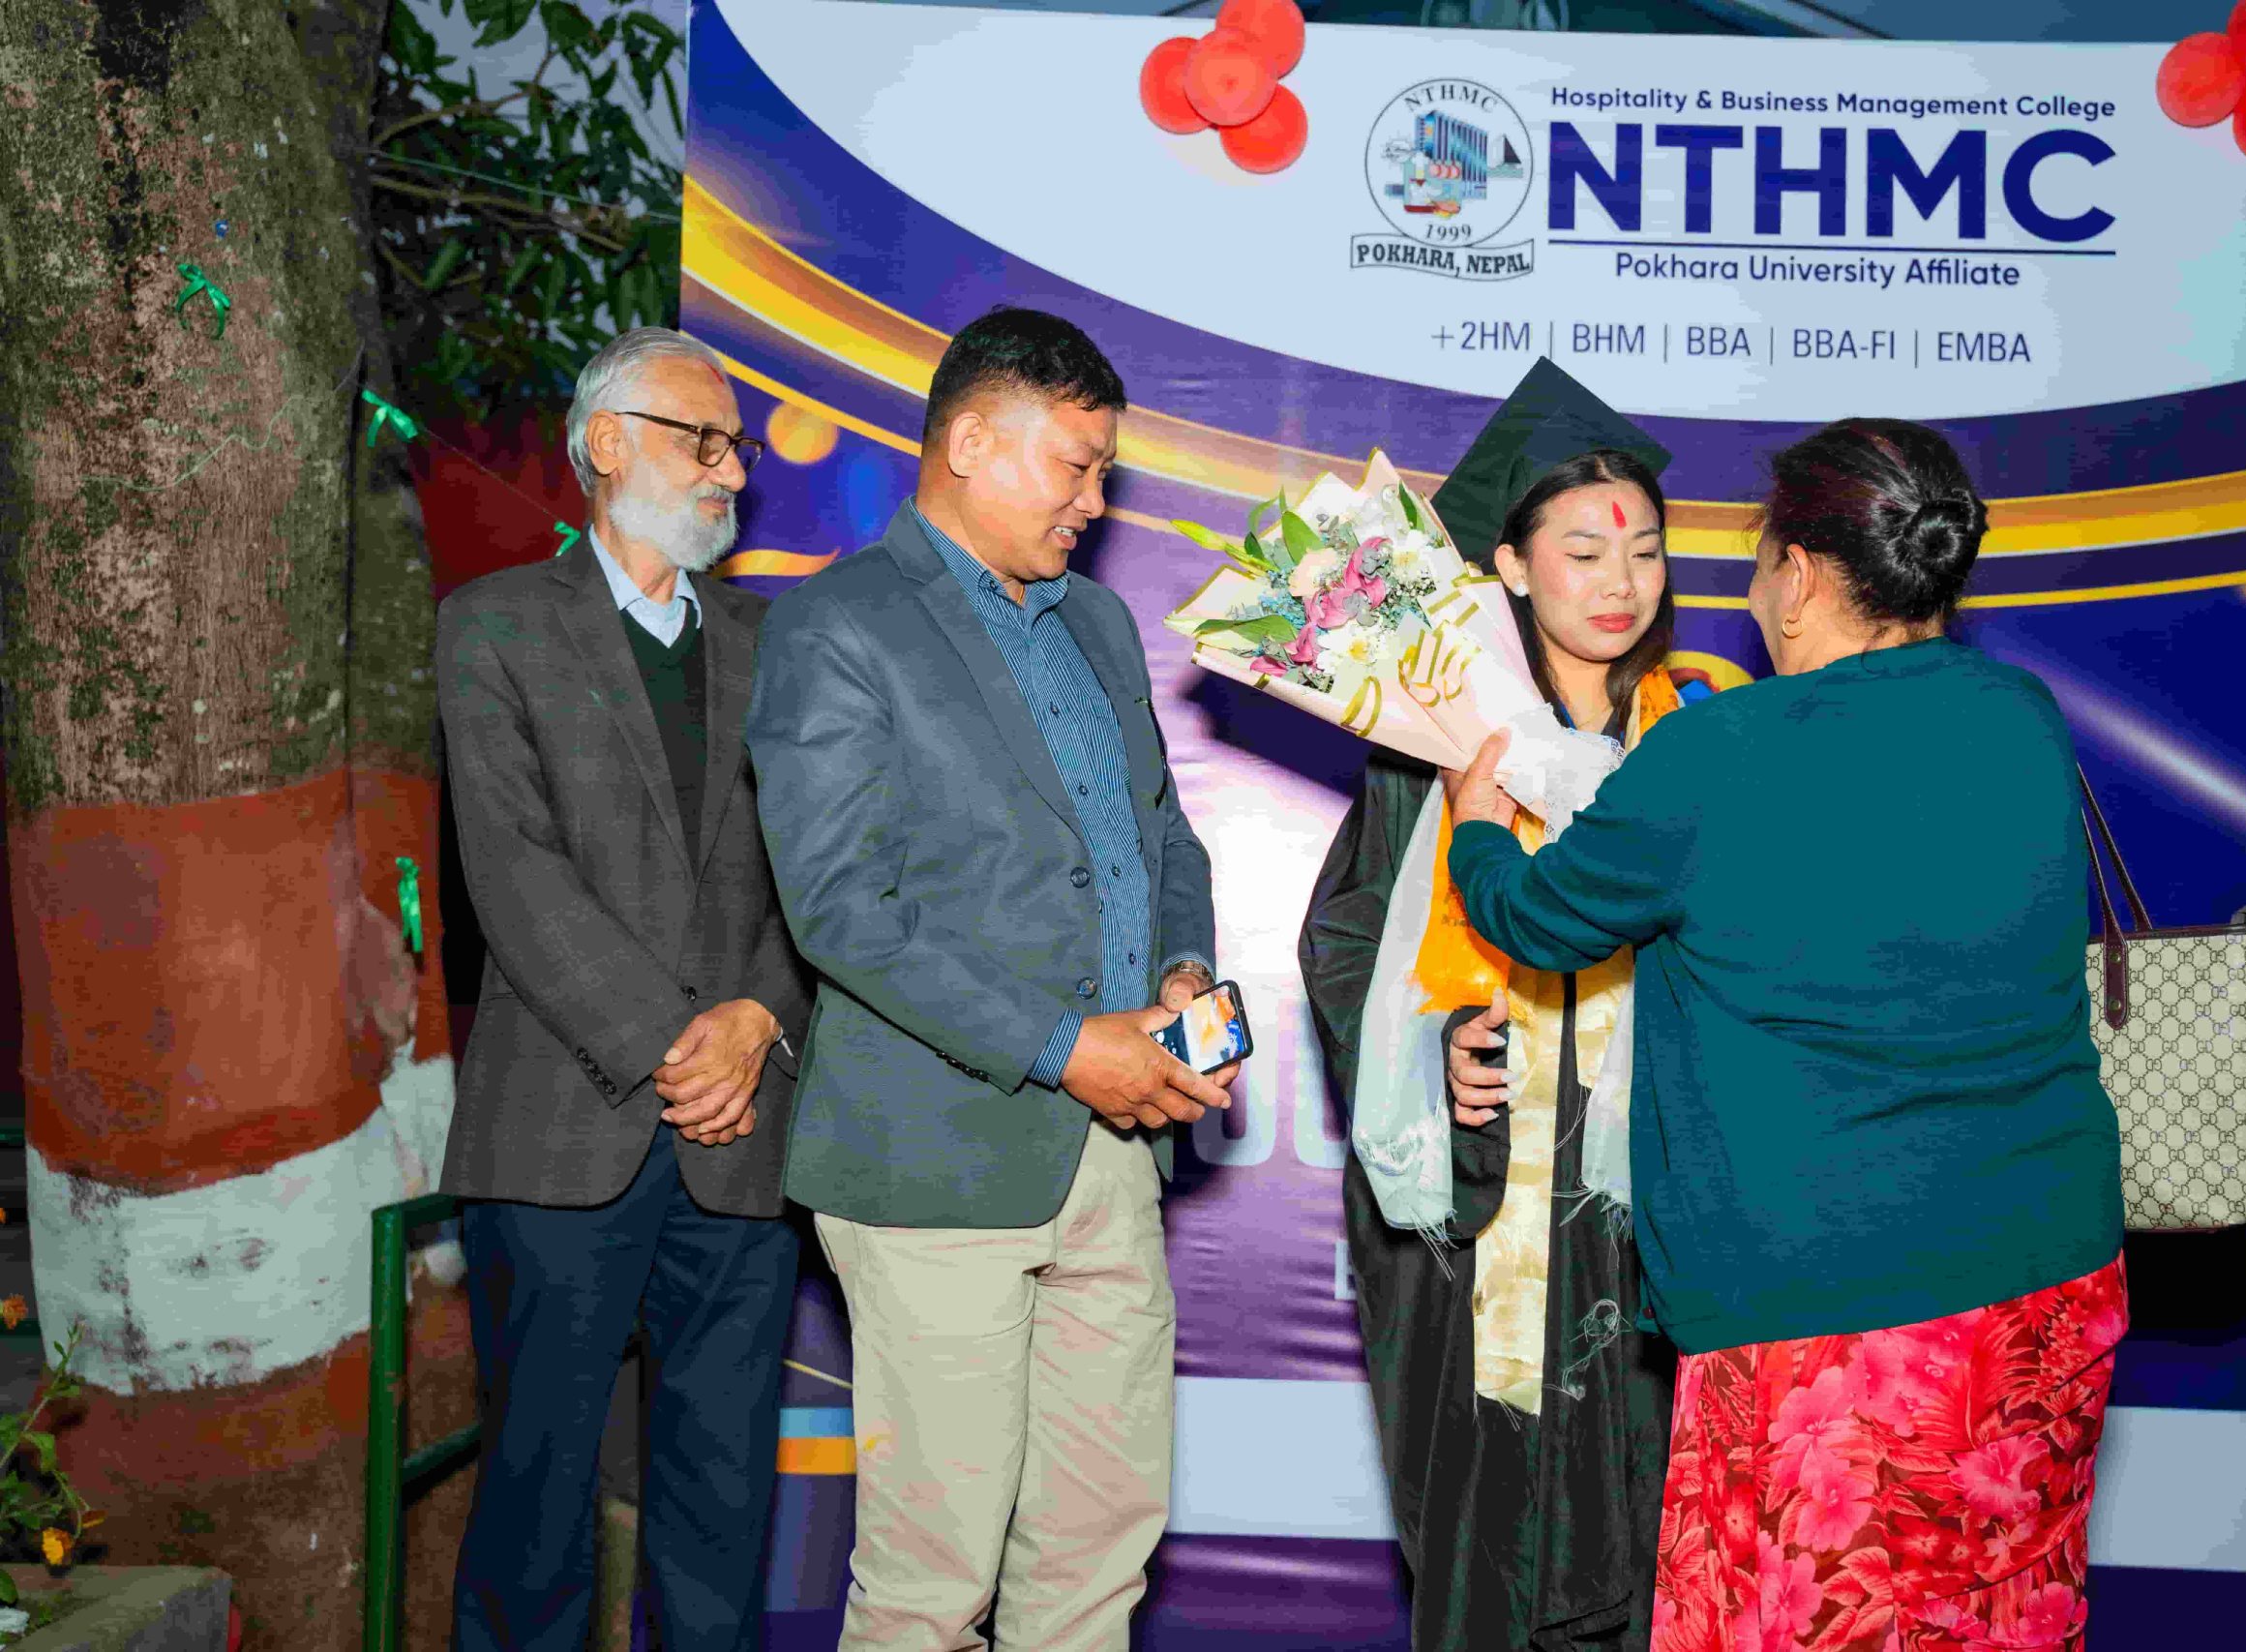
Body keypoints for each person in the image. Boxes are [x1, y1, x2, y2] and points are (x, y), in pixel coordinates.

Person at [1445, 418, 2126, 1650]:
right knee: (2000, 1617)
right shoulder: (2022, 713)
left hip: (1833, 1315)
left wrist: (1479, 828)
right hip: (2049, 1288)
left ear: (1800, 575)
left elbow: (1538, 919)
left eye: (1756, 559)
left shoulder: (1724, 749)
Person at [746, 307, 1229, 1652]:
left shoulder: (1099, 626)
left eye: (1104, 471)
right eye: (1074, 466)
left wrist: (1184, 970)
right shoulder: (837, 625)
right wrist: (1069, 1046)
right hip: (933, 1160)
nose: (1095, 502)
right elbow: (842, 909)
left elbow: (1161, 837)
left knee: (1099, 1550)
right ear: (967, 443)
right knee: (932, 1578)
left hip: (1111, 1157)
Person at [1300, 359, 1707, 1650]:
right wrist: (1432, 1049)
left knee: (1652, 1529)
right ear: (1514, 568)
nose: (1620, 580)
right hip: (1481, 1200)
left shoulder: (1695, 743)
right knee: (1489, 1540)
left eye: (1643, 549)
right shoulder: (1437, 751)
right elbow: (1348, 938)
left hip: (1645, 1207)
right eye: (1582, 551)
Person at [435, 326, 813, 1651]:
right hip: (559, 1133)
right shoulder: (493, 624)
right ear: (607, 443)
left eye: (737, 447)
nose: (733, 471)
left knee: (722, 1511)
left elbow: (819, 870)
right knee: (535, 1508)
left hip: (742, 1141)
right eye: (702, 440)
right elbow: (513, 874)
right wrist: (676, 1045)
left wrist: (757, 1018)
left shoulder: (780, 642)